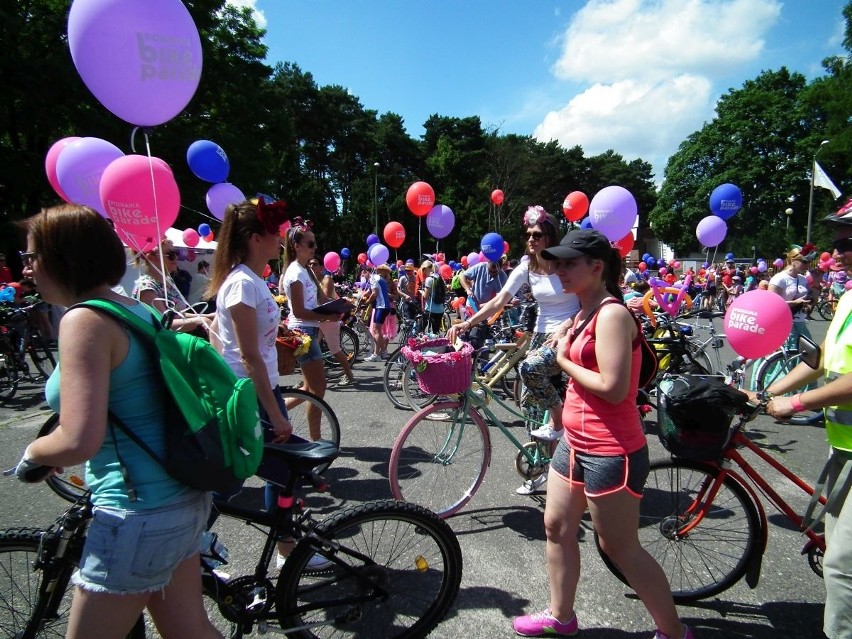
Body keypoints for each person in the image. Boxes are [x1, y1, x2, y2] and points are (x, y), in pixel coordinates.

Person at [13, 204, 221, 638]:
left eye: (31, 257)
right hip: (179, 496)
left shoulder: (84, 320)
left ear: (62, 257)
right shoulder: (130, 308)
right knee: (190, 632)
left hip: (137, 512)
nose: (27, 268)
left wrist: (34, 452)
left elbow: (78, 440)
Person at [511, 228, 692, 639]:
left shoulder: (611, 314)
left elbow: (611, 387)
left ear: (597, 267)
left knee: (620, 548)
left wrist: (562, 359)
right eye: (556, 262)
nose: (559, 270)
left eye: (569, 263)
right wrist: (562, 341)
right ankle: (561, 617)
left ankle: (674, 632)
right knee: (556, 527)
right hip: (574, 443)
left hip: (612, 450)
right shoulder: (582, 313)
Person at [746, 209, 852, 639]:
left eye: (847, 243)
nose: (836, 252)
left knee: (842, 567)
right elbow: (822, 359)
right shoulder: (848, 298)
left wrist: (798, 403)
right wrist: (771, 391)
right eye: (838, 243)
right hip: (843, 446)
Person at [447, 206, 580, 495]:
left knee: (531, 373)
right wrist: (467, 322)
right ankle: (541, 467)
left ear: (550, 237)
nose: (531, 239)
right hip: (541, 335)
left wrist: (566, 328)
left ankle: (559, 429)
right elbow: (498, 302)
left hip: (569, 335)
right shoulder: (527, 267)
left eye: (538, 235)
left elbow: (587, 301)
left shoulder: (566, 265)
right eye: (528, 234)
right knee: (531, 409)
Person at [279, 215, 335, 436]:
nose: (314, 248)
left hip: (310, 329)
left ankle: (272, 414)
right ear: (296, 246)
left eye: (315, 244)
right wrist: (327, 317)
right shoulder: (294, 272)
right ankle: (317, 440)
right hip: (302, 331)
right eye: (310, 244)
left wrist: (338, 307)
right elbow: (300, 311)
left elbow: (321, 299)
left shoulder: (308, 270)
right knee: (317, 390)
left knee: (308, 388)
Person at [133, 240, 212, 334]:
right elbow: (164, 323)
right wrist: (200, 321)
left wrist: (208, 316)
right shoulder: (146, 287)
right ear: (151, 258)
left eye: (176, 253)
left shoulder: (168, 282)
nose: (176, 258)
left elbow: (178, 315)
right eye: (170, 254)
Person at [309, 257, 355, 385]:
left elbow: (324, 300)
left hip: (330, 317)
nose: (312, 266)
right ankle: (309, 380)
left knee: (335, 350)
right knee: (310, 348)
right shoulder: (310, 281)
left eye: (315, 264)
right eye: (310, 264)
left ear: (321, 267)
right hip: (318, 318)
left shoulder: (326, 279)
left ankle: (349, 375)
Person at [364, 264, 393, 361]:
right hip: (383, 306)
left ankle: (378, 354)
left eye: (364, 273)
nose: (363, 276)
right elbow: (369, 291)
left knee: (376, 330)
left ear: (367, 272)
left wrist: (367, 302)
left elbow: (374, 293)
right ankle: (383, 352)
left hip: (381, 306)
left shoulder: (373, 278)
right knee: (378, 331)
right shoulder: (378, 278)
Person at [419, 260, 446, 334]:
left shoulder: (429, 279)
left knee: (420, 330)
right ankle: (437, 345)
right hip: (440, 309)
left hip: (430, 309)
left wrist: (421, 292)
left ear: (425, 269)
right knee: (435, 332)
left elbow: (426, 296)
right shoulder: (439, 277)